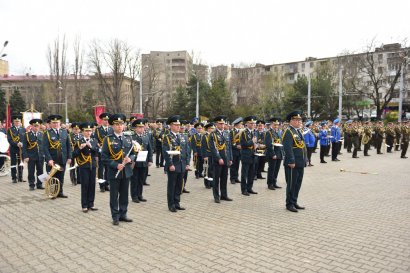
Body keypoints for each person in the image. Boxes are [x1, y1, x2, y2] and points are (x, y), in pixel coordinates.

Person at [101, 114, 135, 225]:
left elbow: (134, 153)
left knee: (124, 195)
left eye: (121, 124)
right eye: (117, 124)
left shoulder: (128, 138)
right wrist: (116, 165)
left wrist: (131, 158)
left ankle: (123, 214)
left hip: (126, 171)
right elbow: (104, 157)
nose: (119, 126)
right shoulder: (108, 139)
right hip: (114, 172)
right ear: (112, 126)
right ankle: (115, 216)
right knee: (114, 196)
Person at [162, 115, 190, 212]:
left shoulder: (183, 136)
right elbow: (165, 152)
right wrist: (170, 164)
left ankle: (177, 203)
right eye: (176, 125)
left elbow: (186, 150)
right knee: (172, 185)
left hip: (182, 164)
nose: (178, 126)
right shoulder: (167, 137)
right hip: (173, 164)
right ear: (170, 125)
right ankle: (171, 204)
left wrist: (187, 163)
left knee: (179, 185)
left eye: (179, 125)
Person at [282, 111, 307, 213]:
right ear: (291, 121)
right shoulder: (288, 132)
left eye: (299, 120)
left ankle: (294, 201)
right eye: (296, 120)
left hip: (300, 162)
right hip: (292, 163)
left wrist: (305, 159)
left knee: (298, 183)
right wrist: (291, 161)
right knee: (291, 183)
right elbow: (288, 148)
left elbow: (302, 147)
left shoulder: (298, 131)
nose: (299, 122)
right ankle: (289, 204)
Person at [43, 114, 72, 198]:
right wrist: (49, 159)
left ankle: (60, 192)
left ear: (60, 123)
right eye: (53, 123)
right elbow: (45, 148)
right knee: (52, 177)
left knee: (61, 176)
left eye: (57, 122)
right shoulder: (47, 133)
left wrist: (69, 157)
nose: (55, 124)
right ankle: (53, 193)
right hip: (53, 159)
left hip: (62, 158)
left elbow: (68, 146)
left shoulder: (64, 132)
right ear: (51, 123)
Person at [73, 122, 99, 212]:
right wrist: (80, 148)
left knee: (92, 185)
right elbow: (74, 154)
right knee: (85, 185)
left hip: (92, 165)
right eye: (86, 131)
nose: (88, 133)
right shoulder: (79, 141)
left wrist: (91, 147)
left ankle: (91, 204)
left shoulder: (94, 141)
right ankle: (84, 205)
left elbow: (97, 152)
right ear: (82, 131)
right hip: (84, 165)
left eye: (90, 131)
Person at [209, 116, 233, 203]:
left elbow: (229, 147)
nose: (222, 125)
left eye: (223, 123)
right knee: (216, 179)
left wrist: (230, 158)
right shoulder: (213, 134)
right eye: (220, 124)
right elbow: (213, 148)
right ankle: (216, 196)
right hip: (217, 160)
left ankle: (224, 195)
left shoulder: (227, 133)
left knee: (224, 178)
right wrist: (219, 158)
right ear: (216, 124)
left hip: (226, 159)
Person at [130, 118, 153, 203]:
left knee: (141, 179)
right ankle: (134, 196)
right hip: (135, 162)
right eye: (139, 127)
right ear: (135, 128)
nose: (141, 129)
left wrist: (150, 160)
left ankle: (140, 195)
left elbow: (149, 149)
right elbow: (129, 150)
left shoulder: (145, 136)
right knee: (134, 179)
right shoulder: (132, 137)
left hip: (144, 161)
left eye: (142, 127)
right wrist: (132, 160)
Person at [22, 119, 44, 190]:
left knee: (40, 171)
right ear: (31, 126)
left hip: (40, 156)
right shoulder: (27, 135)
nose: (36, 128)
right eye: (35, 126)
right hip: (31, 156)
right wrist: (25, 156)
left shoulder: (42, 134)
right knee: (31, 171)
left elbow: (44, 146)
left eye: (37, 126)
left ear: (39, 126)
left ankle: (40, 184)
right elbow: (24, 147)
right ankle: (31, 184)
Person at [94, 112, 113, 192]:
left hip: (109, 153)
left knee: (108, 169)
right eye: (105, 120)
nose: (106, 121)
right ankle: (101, 185)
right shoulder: (98, 130)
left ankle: (107, 184)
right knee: (101, 170)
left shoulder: (111, 129)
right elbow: (94, 140)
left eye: (107, 120)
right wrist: (98, 144)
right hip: (100, 152)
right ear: (101, 120)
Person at [240, 116, 258, 196]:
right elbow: (243, 144)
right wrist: (252, 141)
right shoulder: (243, 132)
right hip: (246, 155)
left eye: (254, 123)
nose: (253, 125)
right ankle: (244, 189)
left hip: (253, 155)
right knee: (245, 174)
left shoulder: (254, 132)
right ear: (247, 124)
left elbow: (254, 143)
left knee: (251, 173)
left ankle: (249, 188)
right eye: (251, 123)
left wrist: (256, 145)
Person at [265, 118, 284, 190]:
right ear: (271, 125)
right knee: (271, 169)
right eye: (274, 125)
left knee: (276, 169)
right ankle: (270, 184)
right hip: (273, 154)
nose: (276, 126)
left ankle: (274, 182)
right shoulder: (269, 132)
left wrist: (282, 153)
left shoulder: (278, 132)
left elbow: (281, 142)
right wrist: (273, 154)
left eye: (277, 125)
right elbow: (268, 145)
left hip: (279, 153)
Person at [7, 115, 26, 183]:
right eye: (16, 121)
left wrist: (23, 143)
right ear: (13, 122)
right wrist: (16, 144)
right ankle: (14, 178)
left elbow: (25, 139)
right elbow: (9, 139)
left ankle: (20, 177)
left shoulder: (23, 129)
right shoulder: (10, 129)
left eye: (18, 121)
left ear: (20, 122)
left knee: (21, 163)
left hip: (21, 149)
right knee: (13, 163)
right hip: (14, 149)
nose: (17, 122)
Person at [201, 122, 215, 189]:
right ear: (208, 129)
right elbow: (203, 147)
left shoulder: (213, 135)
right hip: (207, 155)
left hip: (213, 154)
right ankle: (207, 183)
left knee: (212, 169)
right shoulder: (205, 136)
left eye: (213, 128)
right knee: (207, 170)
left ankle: (211, 182)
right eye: (211, 128)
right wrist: (205, 156)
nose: (212, 129)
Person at [229, 118, 243, 184]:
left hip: (240, 151)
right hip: (234, 151)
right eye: (240, 124)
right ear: (237, 125)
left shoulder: (241, 131)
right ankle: (232, 178)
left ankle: (236, 177)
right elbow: (230, 142)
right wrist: (236, 146)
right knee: (233, 166)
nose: (241, 125)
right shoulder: (232, 132)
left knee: (237, 165)